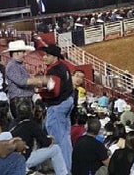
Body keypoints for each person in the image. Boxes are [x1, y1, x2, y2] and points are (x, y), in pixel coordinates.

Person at [38, 44, 74, 173]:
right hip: (66, 102)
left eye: (47, 55)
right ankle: (68, 168)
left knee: (58, 140)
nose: (44, 57)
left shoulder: (54, 71)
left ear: (53, 57)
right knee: (65, 138)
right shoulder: (63, 67)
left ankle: (64, 170)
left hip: (57, 105)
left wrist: (41, 92)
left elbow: (55, 91)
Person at [10, 99, 68, 175]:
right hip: (24, 161)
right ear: (32, 110)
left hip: (12, 161)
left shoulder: (12, 124)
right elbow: (46, 143)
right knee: (55, 149)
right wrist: (50, 139)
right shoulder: (30, 124)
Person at [3, 39, 40, 118]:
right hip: (20, 101)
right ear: (16, 53)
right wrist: (39, 80)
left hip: (23, 100)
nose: (25, 54)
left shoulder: (18, 65)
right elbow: (21, 81)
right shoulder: (12, 66)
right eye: (23, 52)